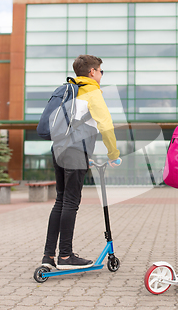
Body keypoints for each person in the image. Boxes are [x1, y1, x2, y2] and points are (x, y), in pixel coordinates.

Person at [42, 55, 121, 270]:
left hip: (58, 149)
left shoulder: (68, 90)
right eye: (101, 71)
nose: (101, 75)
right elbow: (106, 126)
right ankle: (66, 257)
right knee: (71, 202)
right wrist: (114, 154)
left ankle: (49, 256)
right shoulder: (92, 92)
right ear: (92, 72)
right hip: (75, 152)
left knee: (61, 200)